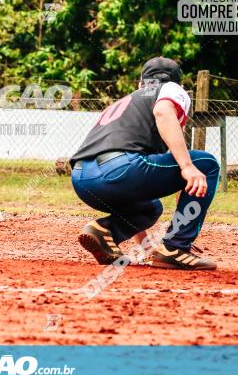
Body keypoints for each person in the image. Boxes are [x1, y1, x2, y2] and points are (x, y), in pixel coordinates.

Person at [69, 57, 220, 271]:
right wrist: (188, 167)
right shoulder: (170, 89)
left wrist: (146, 246)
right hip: (118, 170)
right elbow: (163, 111)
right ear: (179, 84)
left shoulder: (128, 101)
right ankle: (176, 248)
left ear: (141, 83)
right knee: (206, 163)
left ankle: (104, 231)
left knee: (149, 208)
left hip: (83, 179)